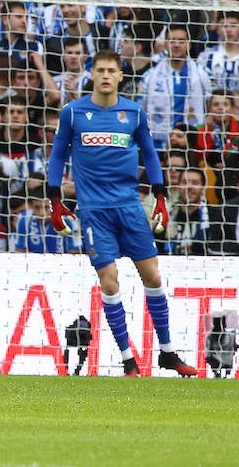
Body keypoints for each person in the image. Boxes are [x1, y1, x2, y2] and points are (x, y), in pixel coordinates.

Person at [45, 49, 199, 377]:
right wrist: (55, 201)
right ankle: (129, 358)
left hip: (130, 207)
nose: (104, 75)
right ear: (92, 74)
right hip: (94, 211)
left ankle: (168, 353)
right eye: (99, 70)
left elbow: (151, 155)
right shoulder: (72, 113)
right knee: (109, 280)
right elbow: (57, 157)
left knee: (153, 277)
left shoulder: (134, 113)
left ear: (120, 76)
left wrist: (160, 197)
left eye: (110, 70)